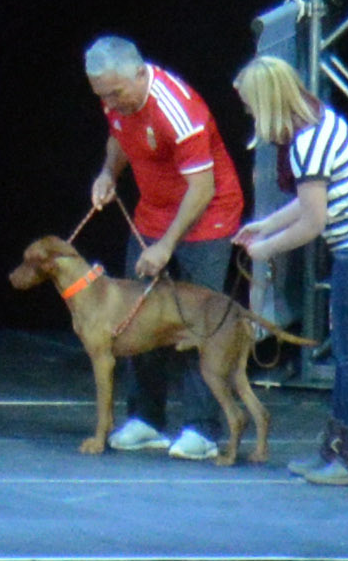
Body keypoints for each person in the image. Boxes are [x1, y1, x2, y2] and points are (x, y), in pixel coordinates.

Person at [231, 55, 348, 485]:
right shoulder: (319, 119)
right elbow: (311, 203)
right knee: (347, 355)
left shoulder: (307, 143)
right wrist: (266, 225)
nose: (250, 115)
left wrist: (265, 249)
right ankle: (336, 450)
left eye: (251, 107)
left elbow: (313, 221)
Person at [84, 35, 245, 460]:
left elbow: (202, 186)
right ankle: (146, 418)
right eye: (103, 95)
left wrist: (166, 245)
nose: (111, 102)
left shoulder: (178, 109)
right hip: (154, 211)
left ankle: (203, 429)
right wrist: (108, 174)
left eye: (116, 93)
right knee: (138, 316)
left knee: (197, 321)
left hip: (206, 216)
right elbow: (118, 136)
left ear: (140, 73)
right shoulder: (115, 99)